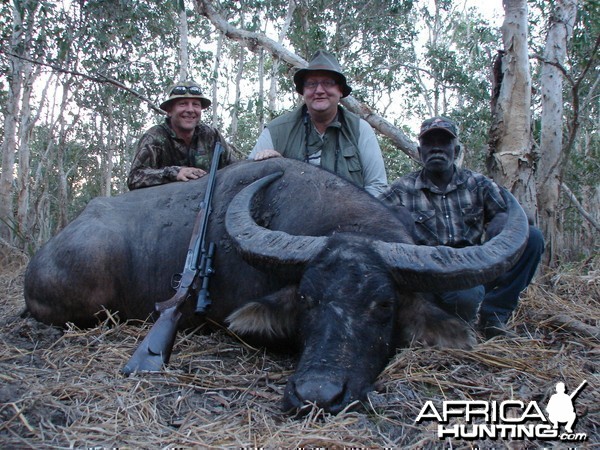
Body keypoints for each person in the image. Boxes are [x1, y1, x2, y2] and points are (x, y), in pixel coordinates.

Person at [380, 116, 544, 339]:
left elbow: (523, 219)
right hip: (429, 275)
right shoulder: (401, 189)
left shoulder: (478, 184)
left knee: (532, 238)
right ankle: (440, 319)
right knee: (462, 299)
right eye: (430, 143)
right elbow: (369, 220)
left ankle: (494, 315)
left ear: (455, 151)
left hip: (475, 266)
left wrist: (502, 221)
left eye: (444, 142)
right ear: (420, 152)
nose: (437, 148)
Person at [248, 50, 387, 197]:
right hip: (289, 218)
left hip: (352, 218)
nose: (319, 90)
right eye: (311, 84)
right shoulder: (276, 131)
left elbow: (377, 187)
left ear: (340, 91)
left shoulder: (360, 130)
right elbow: (247, 182)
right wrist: (266, 164)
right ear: (303, 92)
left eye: (328, 83)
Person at [128, 80, 235, 190]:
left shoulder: (212, 136)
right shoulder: (155, 137)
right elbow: (135, 177)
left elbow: (235, 168)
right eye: (183, 104)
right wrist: (174, 173)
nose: (190, 110)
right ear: (169, 111)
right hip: (164, 203)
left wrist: (253, 162)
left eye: (195, 104)